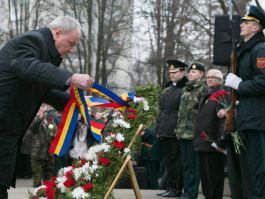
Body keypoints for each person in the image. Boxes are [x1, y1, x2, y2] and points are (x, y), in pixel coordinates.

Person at [0, 15, 93, 199]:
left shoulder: (46, 53)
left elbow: (44, 91)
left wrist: (78, 105)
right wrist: (71, 77)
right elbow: (29, 67)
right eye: (71, 43)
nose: (71, 50)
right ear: (57, 33)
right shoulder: (32, 41)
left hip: (8, 128)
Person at [225, 5, 265, 199]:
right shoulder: (245, 50)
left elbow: (263, 83)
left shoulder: (261, 49)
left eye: (247, 22)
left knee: (259, 170)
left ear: (256, 28)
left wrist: (239, 85)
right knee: (247, 171)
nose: (242, 24)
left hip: (258, 120)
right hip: (246, 119)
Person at [156, 59, 188, 198]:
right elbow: (162, 110)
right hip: (165, 129)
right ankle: (170, 187)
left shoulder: (186, 87)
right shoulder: (168, 87)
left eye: (175, 72)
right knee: (168, 161)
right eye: (170, 72)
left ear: (182, 71)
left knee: (177, 162)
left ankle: (176, 188)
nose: (172, 75)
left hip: (176, 130)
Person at [194, 69, 227, 199]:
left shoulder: (222, 94)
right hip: (202, 143)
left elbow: (222, 121)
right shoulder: (206, 94)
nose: (209, 79)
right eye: (207, 77)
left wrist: (220, 141)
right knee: (206, 179)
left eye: (213, 77)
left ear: (220, 80)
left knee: (214, 178)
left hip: (214, 145)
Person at [175, 63, 206, 199]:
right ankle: (186, 192)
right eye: (190, 72)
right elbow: (181, 112)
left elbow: (202, 113)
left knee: (193, 166)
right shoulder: (186, 89)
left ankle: (191, 194)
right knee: (185, 164)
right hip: (182, 133)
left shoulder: (203, 89)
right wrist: (178, 130)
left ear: (201, 74)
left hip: (194, 133)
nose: (191, 74)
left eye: (195, 72)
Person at [29, 104, 57, 187]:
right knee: (37, 181)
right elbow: (32, 126)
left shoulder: (50, 121)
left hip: (49, 155)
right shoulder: (35, 119)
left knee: (49, 181)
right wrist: (40, 117)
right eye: (42, 108)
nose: (44, 111)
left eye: (45, 109)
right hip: (38, 155)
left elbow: (55, 132)